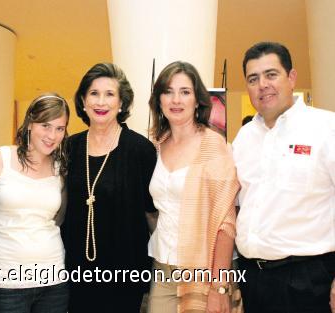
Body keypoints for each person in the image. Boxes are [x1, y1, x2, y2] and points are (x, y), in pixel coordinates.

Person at [233, 42, 335, 313]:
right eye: (253, 79)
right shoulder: (243, 138)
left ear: (291, 78)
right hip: (252, 279)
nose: (262, 85)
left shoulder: (326, 128)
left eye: (271, 74)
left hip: (309, 281)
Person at [147, 61, 242, 313]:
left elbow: (225, 223)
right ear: (158, 100)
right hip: (162, 269)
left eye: (185, 92)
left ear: (198, 100)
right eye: (168, 91)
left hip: (204, 273)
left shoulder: (214, 146)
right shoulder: (155, 144)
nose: (176, 99)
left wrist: (219, 286)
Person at [62, 63, 157, 313]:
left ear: (122, 103)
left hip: (125, 273)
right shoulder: (69, 148)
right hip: (76, 271)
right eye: (93, 93)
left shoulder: (140, 150)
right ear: (83, 101)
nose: (100, 102)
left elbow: (152, 213)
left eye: (109, 94)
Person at [0, 93, 70, 313]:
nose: (52, 135)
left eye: (60, 128)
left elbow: (60, 219)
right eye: (46, 126)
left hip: (53, 280)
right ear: (30, 123)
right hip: (6, 283)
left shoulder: (61, 168)